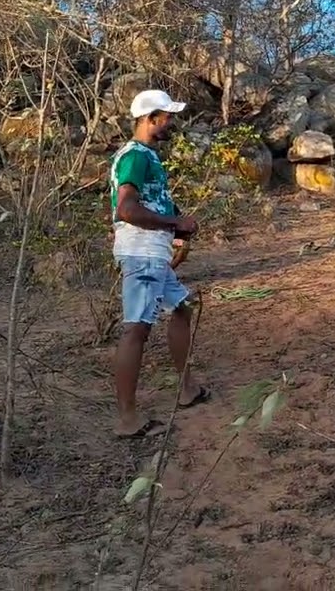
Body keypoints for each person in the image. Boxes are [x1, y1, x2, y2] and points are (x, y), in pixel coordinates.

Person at [109, 89, 209, 439]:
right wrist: (175, 225)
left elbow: (150, 204)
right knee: (136, 329)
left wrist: (176, 225)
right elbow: (127, 210)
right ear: (151, 119)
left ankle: (186, 389)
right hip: (142, 251)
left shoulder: (146, 156)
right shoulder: (135, 156)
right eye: (167, 117)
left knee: (181, 308)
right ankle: (127, 420)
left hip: (153, 250)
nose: (172, 123)